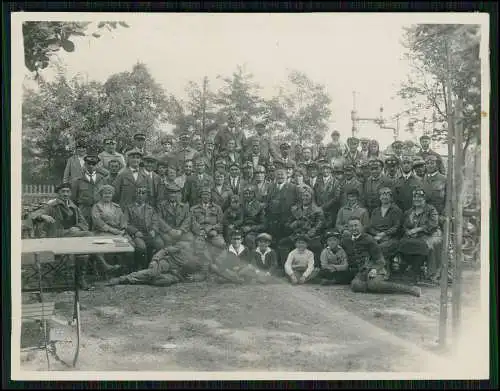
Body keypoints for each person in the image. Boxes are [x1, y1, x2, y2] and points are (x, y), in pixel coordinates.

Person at [29, 182, 107, 290]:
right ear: (58, 193)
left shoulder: (73, 206)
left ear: (70, 193)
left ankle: (80, 279)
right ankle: (102, 267)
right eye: (63, 192)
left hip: (72, 237)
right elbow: (32, 215)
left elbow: (84, 223)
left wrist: (78, 227)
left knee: (83, 248)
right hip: (56, 238)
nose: (65, 194)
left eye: (67, 192)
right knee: (89, 235)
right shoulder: (51, 205)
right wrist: (43, 216)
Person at [340, 217, 421, 296]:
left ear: (361, 226)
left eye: (356, 225)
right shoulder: (346, 240)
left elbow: (380, 260)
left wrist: (374, 269)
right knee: (355, 286)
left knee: (374, 284)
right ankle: (371, 286)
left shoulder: (369, 239)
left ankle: (410, 289)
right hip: (362, 271)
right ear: (348, 227)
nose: (354, 228)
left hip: (376, 268)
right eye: (351, 226)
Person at [105, 235, 212, 286]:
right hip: (166, 263)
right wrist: (155, 260)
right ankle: (122, 279)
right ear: (195, 240)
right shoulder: (184, 246)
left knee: (164, 281)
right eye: (198, 239)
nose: (200, 242)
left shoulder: (205, 258)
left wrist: (194, 277)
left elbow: (203, 273)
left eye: (203, 240)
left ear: (205, 243)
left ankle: (146, 278)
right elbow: (165, 250)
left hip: (177, 274)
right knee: (152, 272)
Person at [397, 189, 442, 282]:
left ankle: (421, 272)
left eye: (420, 197)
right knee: (403, 243)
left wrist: (418, 230)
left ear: (424, 199)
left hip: (430, 234)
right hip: (414, 235)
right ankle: (411, 268)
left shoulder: (431, 210)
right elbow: (404, 225)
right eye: (415, 197)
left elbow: (433, 225)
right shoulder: (409, 211)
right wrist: (408, 231)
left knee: (424, 245)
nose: (417, 199)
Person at [91, 184, 135, 272]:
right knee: (105, 245)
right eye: (105, 193)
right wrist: (112, 230)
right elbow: (98, 223)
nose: (108, 195)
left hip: (118, 232)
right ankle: (107, 269)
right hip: (102, 232)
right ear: (101, 195)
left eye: (110, 193)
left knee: (130, 244)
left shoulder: (116, 207)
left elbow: (123, 220)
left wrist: (122, 230)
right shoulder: (96, 207)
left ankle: (124, 268)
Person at [123, 186, 165, 270]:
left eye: (143, 193)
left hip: (149, 233)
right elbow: (125, 223)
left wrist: (153, 230)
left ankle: (153, 265)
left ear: (146, 195)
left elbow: (155, 221)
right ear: (135, 194)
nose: (140, 195)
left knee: (160, 244)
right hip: (137, 235)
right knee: (141, 247)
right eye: (138, 193)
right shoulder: (129, 208)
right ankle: (140, 267)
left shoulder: (150, 208)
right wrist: (135, 232)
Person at [281, 186, 324, 265]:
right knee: (283, 243)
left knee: (316, 246)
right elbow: (288, 222)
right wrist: (292, 225)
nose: (305, 198)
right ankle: (287, 266)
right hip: (296, 235)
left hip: (310, 235)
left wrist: (311, 231)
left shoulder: (317, 210)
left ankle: (314, 267)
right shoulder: (295, 209)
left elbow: (319, 224)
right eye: (303, 195)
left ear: (312, 197)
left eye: (307, 195)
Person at [366, 187, 403, 270]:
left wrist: (384, 234)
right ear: (379, 197)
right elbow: (370, 227)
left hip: (391, 238)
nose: (384, 197)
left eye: (387, 194)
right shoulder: (375, 211)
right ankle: (368, 269)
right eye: (382, 194)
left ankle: (384, 270)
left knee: (380, 248)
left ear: (391, 197)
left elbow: (396, 227)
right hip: (376, 236)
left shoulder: (396, 210)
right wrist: (377, 234)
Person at [266, 168, 298, 260]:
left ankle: (286, 263)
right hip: (273, 220)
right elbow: (267, 202)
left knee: (285, 243)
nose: (280, 176)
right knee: (274, 241)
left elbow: (298, 203)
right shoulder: (271, 187)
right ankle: (276, 262)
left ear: (287, 175)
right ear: (275, 176)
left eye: (282, 174)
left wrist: (293, 217)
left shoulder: (293, 187)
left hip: (287, 220)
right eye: (278, 174)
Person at [70, 154, 109, 229]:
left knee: (99, 231)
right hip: (84, 211)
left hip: (99, 210)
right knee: (85, 231)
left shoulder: (102, 179)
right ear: (85, 165)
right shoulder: (78, 180)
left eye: (93, 164)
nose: (91, 166)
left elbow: (106, 195)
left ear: (97, 165)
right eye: (89, 164)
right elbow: (73, 199)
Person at [240, 185, 267, 251]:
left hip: (254, 231)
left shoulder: (259, 206)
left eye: (250, 193)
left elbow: (264, 225)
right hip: (242, 229)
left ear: (254, 194)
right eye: (246, 194)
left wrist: (250, 228)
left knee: (249, 238)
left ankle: (252, 258)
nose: (248, 195)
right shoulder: (241, 205)